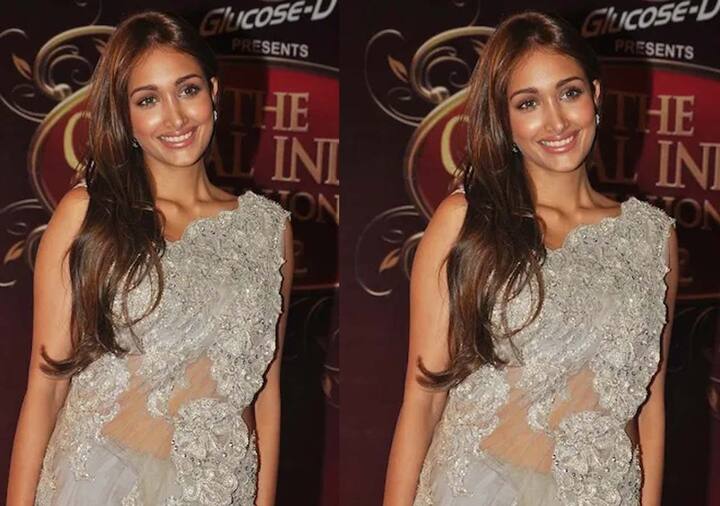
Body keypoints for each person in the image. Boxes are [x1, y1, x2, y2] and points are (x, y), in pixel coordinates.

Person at [384, 11, 677, 506]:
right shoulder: (466, 221)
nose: (556, 121)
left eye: (569, 93)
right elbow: (423, 399)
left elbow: (649, 402)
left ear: (595, 95)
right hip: (479, 490)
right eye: (528, 103)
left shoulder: (652, 237)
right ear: (504, 120)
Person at [7, 11, 293, 506]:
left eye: (187, 90)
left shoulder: (269, 229)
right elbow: (47, 386)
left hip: (218, 490)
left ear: (214, 93)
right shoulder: (89, 214)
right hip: (99, 484)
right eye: (148, 100)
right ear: (125, 116)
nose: (175, 118)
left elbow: (265, 389)